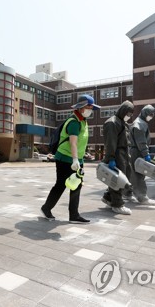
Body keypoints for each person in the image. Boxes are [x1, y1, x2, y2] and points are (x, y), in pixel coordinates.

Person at [41, 94, 99, 223]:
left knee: (76, 186)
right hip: (65, 159)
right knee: (61, 185)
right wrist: (74, 159)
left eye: (91, 107)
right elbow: (73, 143)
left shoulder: (82, 121)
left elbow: (80, 143)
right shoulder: (74, 122)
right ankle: (46, 208)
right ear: (81, 107)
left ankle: (74, 215)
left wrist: (79, 158)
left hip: (76, 159)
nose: (90, 110)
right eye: (88, 107)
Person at [101, 100, 135, 215]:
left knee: (125, 176)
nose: (129, 117)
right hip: (116, 153)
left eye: (131, 115)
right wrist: (111, 158)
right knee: (118, 179)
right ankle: (117, 204)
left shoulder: (121, 122)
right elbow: (110, 142)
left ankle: (108, 197)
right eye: (128, 114)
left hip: (123, 153)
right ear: (123, 111)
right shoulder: (112, 122)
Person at [128, 105, 155, 205]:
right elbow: (141, 142)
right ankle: (142, 197)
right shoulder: (139, 124)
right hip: (138, 152)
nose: (151, 116)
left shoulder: (141, 122)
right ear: (145, 113)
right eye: (150, 114)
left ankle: (127, 193)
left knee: (134, 174)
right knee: (139, 175)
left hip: (136, 151)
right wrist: (146, 154)